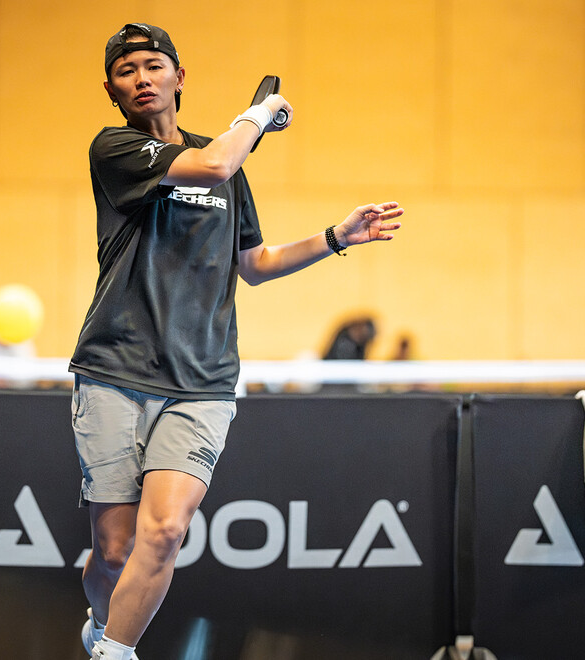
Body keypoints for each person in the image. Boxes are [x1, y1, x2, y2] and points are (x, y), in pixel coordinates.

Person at [69, 23, 404, 660]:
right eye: (126, 71)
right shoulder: (114, 149)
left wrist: (335, 236)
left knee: (164, 532)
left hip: (204, 381)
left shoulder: (225, 159)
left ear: (179, 77)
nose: (142, 78)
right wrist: (257, 117)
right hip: (115, 370)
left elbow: (254, 262)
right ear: (112, 90)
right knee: (114, 551)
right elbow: (217, 161)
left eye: (154, 66)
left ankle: (112, 652)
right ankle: (100, 619)